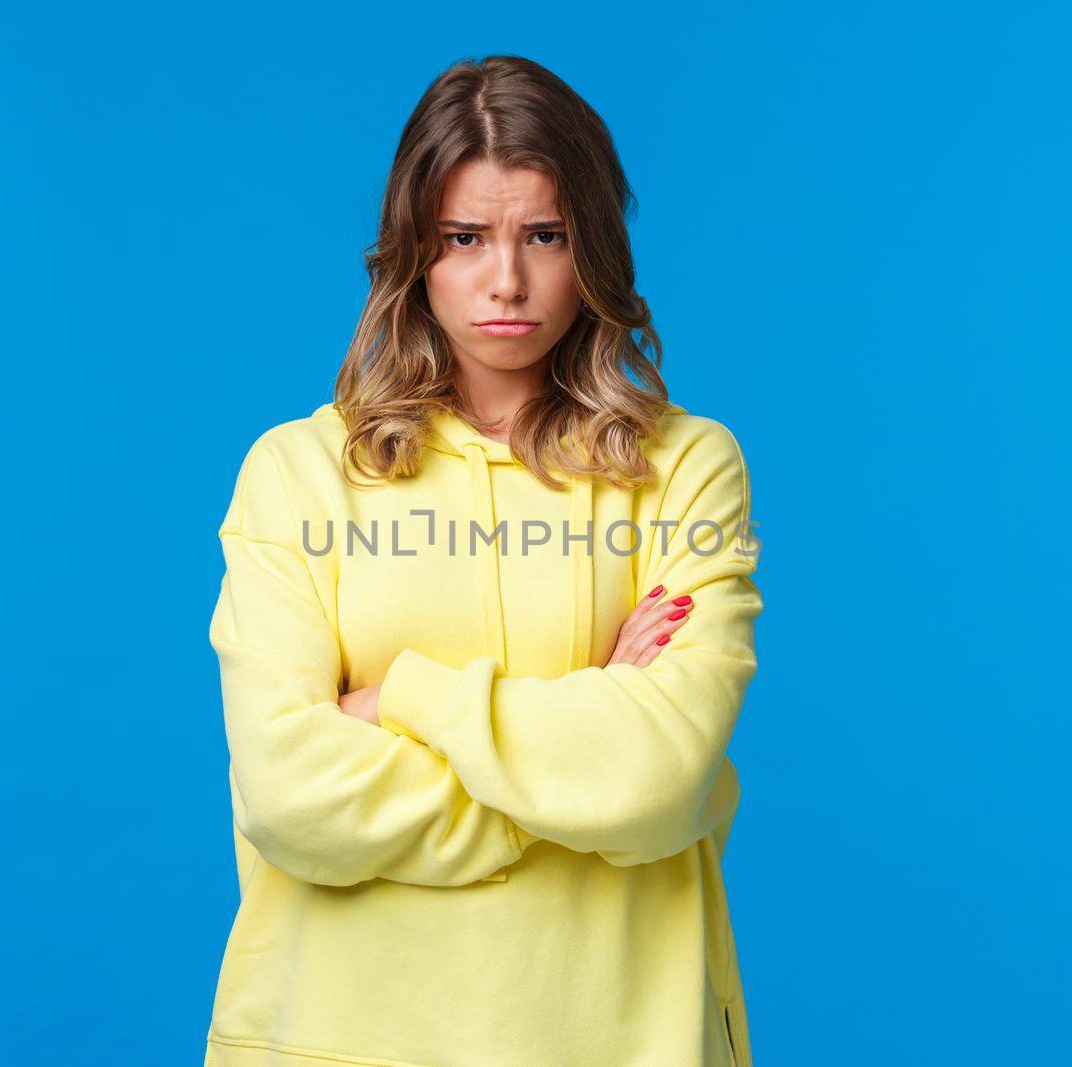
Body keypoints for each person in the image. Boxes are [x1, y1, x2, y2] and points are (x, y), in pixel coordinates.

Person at [204, 54, 763, 1067]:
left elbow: (654, 780)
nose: (505, 279)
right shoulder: (294, 474)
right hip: (339, 1036)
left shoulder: (685, 466)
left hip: (624, 1037)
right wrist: (577, 739)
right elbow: (291, 797)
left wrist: (400, 699)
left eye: (542, 236)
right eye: (465, 239)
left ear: (588, 245)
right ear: (415, 254)